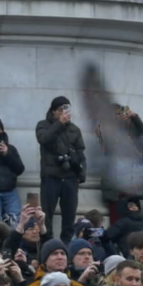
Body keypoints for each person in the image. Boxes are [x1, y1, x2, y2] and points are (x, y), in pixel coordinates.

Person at [35, 97, 85, 238]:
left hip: (70, 177)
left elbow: (81, 152)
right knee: (47, 214)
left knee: (69, 215)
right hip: (51, 176)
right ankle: (47, 242)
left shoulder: (75, 129)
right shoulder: (43, 125)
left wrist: (82, 174)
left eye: (66, 109)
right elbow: (43, 139)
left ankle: (67, 244)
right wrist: (60, 124)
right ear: (53, 111)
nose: (64, 112)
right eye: (60, 109)